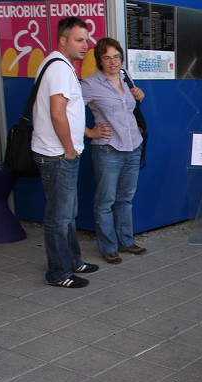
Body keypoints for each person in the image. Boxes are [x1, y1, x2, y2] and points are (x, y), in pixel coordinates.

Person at [31, 16, 100, 288]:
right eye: (79, 40)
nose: (86, 45)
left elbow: (68, 114)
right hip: (58, 155)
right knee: (59, 217)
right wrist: (69, 149)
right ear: (63, 40)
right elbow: (57, 114)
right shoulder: (59, 69)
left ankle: (73, 260)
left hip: (58, 152)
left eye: (86, 40)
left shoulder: (56, 64)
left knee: (67, 213)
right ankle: (58, 273)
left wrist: (83, 136)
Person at [81, 37, 147, 265]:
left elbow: (129, 108)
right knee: (105, 201)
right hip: (108, 149)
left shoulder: (125, 76)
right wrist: (89, 132)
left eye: (116, 57)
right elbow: (66, 110)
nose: (112, 62)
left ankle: (126, 242)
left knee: (126, 199)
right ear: (99, 60)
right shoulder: (89, 84)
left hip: (133, 146)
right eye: (107, 58)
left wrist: (139, 97)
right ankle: (109, 247)